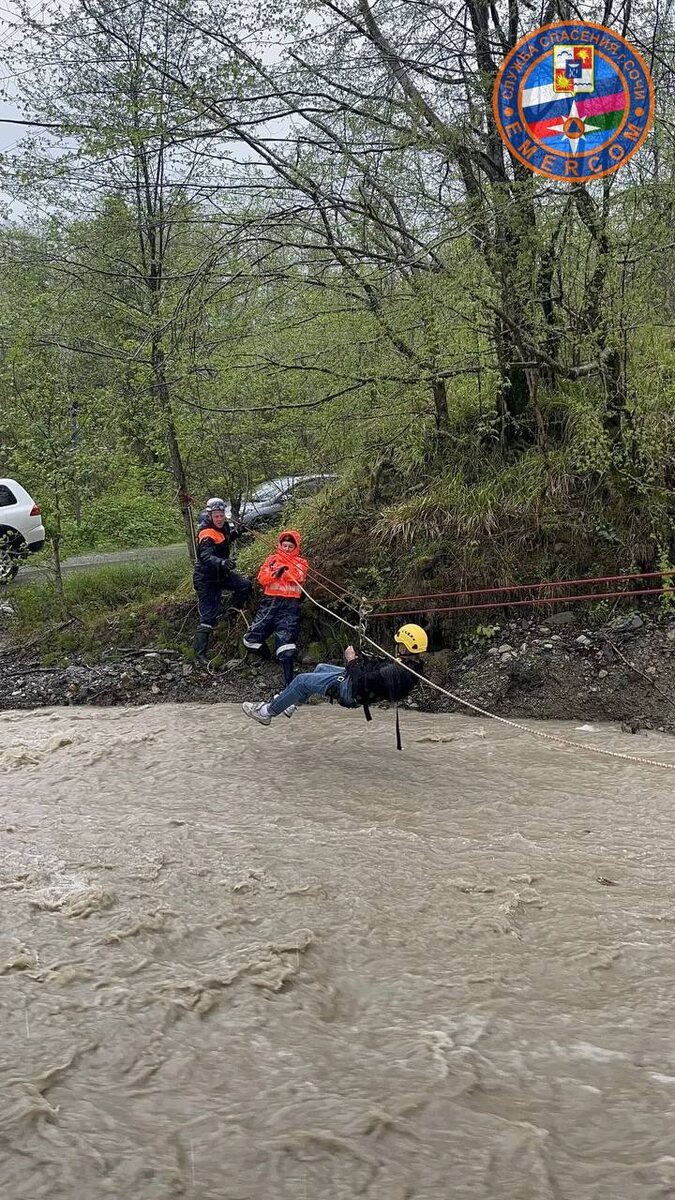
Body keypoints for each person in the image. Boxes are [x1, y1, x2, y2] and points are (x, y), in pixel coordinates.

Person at [242, 623, 428, 734]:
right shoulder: (411, 666)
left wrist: (352, 661)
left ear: (404, 648)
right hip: (357, 685)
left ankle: (266, 713)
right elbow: (376, 674)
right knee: (320, 668)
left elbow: (362, 682)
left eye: (398, 644)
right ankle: (291, 704)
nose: (396, 646)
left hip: (351, 690)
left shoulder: (398, 671)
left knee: (300, 681)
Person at [242, 529, 308, 689]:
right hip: (270, 604)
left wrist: (283, 571)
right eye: (284, 545)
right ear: (280, 545)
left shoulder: (301, 562)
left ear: (295, 547)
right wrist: (275, 574)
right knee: (250, 640)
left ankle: (289, 685)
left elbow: (298, 576)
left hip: (290, 608)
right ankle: (267, 657)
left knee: (286, 646)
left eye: (289, 546)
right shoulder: (271, 560)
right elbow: (262, 578)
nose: (286, 549)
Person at [193, 497, 252, 663]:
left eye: (221, 515)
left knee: (244, 586)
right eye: (216, 516)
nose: (219, 519)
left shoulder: (223, 526)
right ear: (210, 515)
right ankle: (200, 654)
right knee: (209, 616)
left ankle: (233, 612)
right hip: (206, 578)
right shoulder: (206, 533)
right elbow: (205, 556)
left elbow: (224, 541)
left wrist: (237, 533)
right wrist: (222, 562)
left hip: (222, 574)